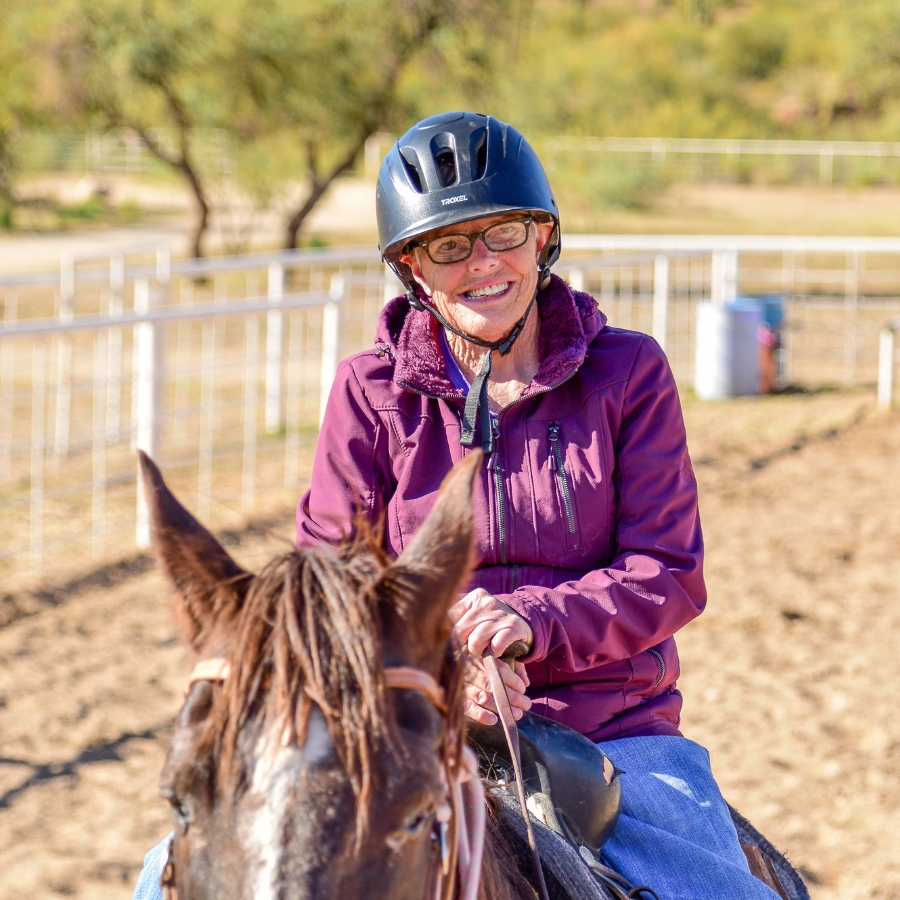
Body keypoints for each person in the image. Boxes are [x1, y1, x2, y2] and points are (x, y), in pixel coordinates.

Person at [133, 112, 782, 900]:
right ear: (410, 265)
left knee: (721, 891)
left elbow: (667, 572)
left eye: (504, 232)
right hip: (400, 728)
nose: (483, 262)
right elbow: (327, 599)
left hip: (610, 730)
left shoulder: (629, 372)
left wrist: (532, 626)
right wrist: (452, 663)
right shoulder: (368, 393)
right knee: (162, 875)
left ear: (543, 238)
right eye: (449, 245)